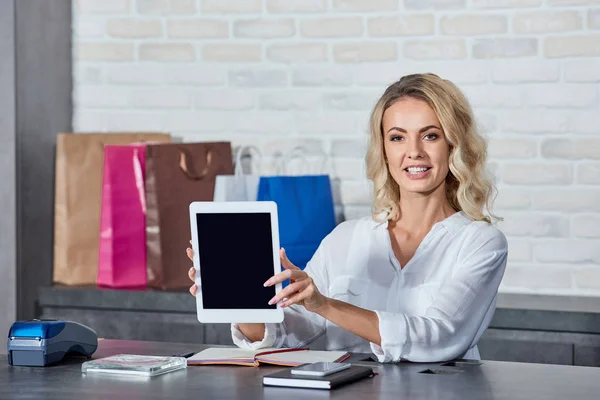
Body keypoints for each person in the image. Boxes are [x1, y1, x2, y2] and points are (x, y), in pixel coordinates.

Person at [186, 73, 508, 363]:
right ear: (383, 149)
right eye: (397, 137)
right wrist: (240, 294)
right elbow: (287, 334)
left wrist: (325, 304)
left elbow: (440, 338)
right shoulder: (345, 238)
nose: (414, 152)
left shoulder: (480, 242)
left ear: (454, 144)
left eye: (430, 135)